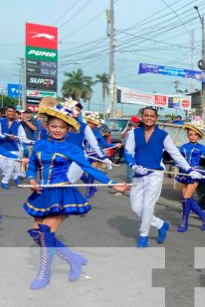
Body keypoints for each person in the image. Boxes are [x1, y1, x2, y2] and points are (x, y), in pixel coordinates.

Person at [23, 99, 127, 290]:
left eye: (62, 127)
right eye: (53, 126)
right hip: (43, 192)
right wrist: (31, 179)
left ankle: (44, 274)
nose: (57, 130)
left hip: (62, 193)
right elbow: (31, 165)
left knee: (45, 234)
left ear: (68, 129)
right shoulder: (39, 145)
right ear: (46, 126)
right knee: (38, 234)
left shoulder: (73, 148)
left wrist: (113, 183)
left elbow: (90, 168)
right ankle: (74, 259)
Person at [124, 106, 204, 248]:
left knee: (148, 206)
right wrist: (133, 166)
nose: (149, 118)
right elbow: (128, 152)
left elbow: (175, 154)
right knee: (136, 208)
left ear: (156, 118)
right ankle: (161, 224)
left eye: (152, 116)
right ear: (142, 117)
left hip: (155, 174)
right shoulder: (133, 133)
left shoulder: (163, 135)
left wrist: (189, 170)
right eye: (146, 115)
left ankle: (143, 235)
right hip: (138, 174)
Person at [0, 105, 28, 188]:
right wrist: (6, 137)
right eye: (9, 111)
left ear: (15, 113)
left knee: (10, 165)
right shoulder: (1, 122)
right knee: (3, 166)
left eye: (13, 112)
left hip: (14, 149)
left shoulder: (18, 125)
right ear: (6, 112)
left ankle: (4, 181)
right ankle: (15, 177)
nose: (11, 113)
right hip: (2, 148)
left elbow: (22, 137)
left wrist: (29, 142)